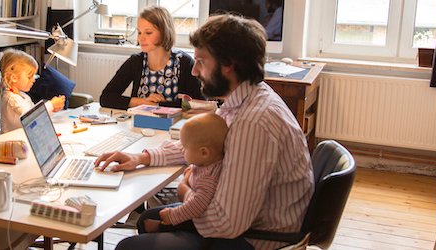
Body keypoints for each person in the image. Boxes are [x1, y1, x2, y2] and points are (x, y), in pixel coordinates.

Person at [96, 14, 315, 250]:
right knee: (148, 219)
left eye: (201, 61)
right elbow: (202, 143)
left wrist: (186, 191)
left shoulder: (253, 123)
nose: (194, 71)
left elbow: (226, 223)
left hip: (257, 238)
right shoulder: (244, 98)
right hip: (247, 222)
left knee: (129, 246)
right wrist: (141, 157)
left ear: (228, 65)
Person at [99, 6, 203, 110]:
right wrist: (142, 102)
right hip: (138, 123)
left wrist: (161, 105)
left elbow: (197, 103)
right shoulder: (136, 61)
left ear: (164, 32)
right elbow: (106, 97)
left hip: (174, 125)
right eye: (139, 32)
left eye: (148, 33)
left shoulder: (184, 62)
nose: (141, 38)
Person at [140, 113, 227, 234]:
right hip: (192, 205)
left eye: (185, 147)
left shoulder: (209, 178)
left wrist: (173, 215)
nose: (183, 150)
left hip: (199, 220)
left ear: (204, 153)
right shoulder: (206, 164)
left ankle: (161, 227)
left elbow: (197, 205)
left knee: (179, 222)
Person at [0, 49, 65, 133]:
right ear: (14, 78)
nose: (33, 80)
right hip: (13, 143)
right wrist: (51, 105)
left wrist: (52, 109)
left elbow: (37, 119)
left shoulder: (24, 96)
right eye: (29, 77)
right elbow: (30, 118)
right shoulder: (11, 99)